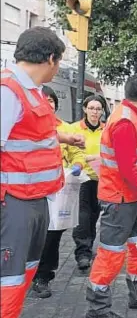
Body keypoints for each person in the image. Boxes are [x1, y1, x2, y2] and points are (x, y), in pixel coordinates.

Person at [0, 26, 85, 318]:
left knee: (25, 275)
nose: (58, 68)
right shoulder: (8, 91)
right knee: (8, 279)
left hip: (35, 202)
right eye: (59, 62)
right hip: (14, 206)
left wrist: (66, 135)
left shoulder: (30, 92)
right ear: (50, 59)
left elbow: (34, 132)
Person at [85, 75, 137, 318]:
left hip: (129, 198)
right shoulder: (126, 122)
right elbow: (128, 169)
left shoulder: (127, 117)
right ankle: (98, 307)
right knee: (111, 253)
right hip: (122, 199)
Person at [32, 86, 86, 298]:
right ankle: (28, 272)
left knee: (52, 235)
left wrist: (78, 166)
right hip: (32, 190)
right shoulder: (30, 128)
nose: (49, 103)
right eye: (44, 100)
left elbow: (77, 154)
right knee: (33, 235)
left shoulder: (65, 129)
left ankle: (43, 276)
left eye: (52, 100)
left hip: (58, 191)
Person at [70, 94, 107, 271]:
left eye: (98, 109)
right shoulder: (74, 128)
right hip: (81, 178)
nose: (94, 112)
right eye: (91, 108)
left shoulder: (107, 130)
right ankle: (82, 253)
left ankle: (88, 246)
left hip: (101, 179)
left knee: (94, 215)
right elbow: (67, 151)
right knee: (82, 217)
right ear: (85, 109)